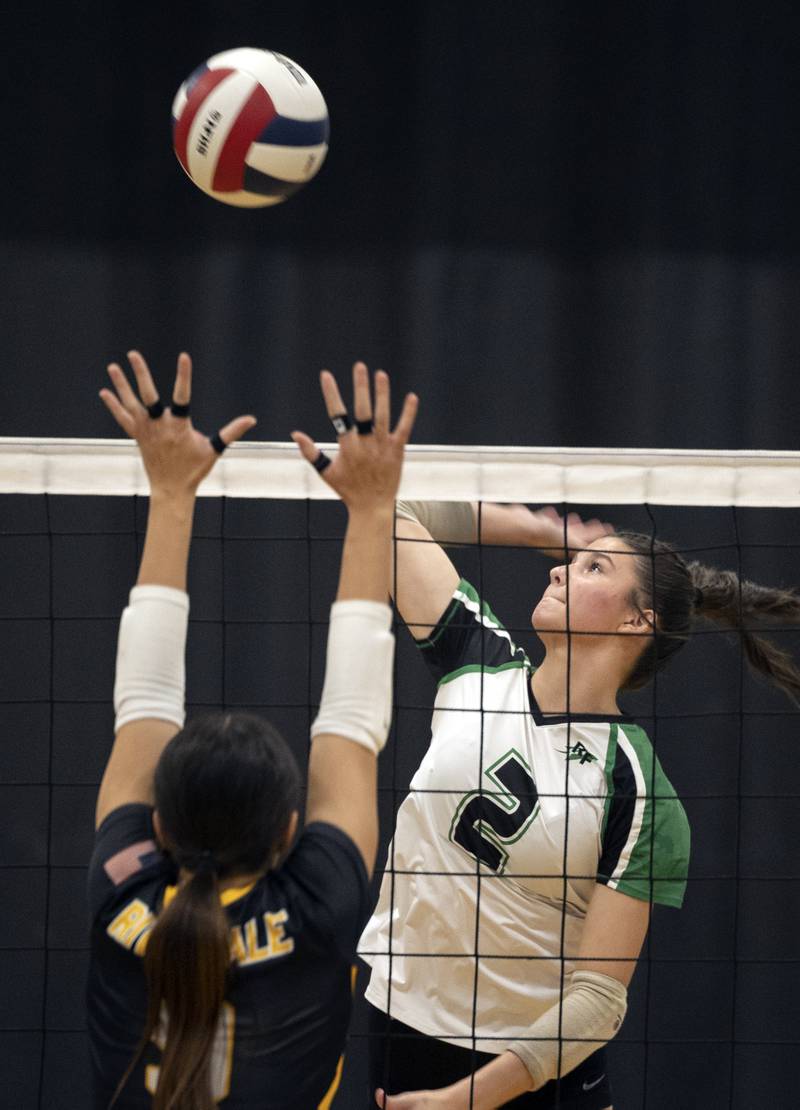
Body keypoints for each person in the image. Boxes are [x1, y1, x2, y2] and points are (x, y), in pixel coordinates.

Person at [359, 499, 800, 1110]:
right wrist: (542, 529)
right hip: (398, 1028)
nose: (560, 571)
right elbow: (386, 506)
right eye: (571, 562)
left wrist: (466, 1099)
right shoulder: (476, 662)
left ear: (636, 621)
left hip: (532, 1079)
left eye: (594, 569)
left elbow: (597, 1003)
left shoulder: (639, 789)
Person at [88, 352, 417, 1109]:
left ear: (160, 827)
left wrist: (171, 493)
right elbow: (349, 723)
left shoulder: (121, 893)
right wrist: (372, 511)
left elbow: (349, 722)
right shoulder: (314, 907)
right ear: (288, 832)